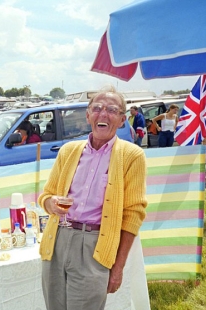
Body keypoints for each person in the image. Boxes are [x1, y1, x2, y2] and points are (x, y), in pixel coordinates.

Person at [38, 86, 147, 310]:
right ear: (88, 115)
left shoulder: (132, 156)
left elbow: (132, 215)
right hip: (57, 240)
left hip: (95, 245)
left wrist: (117, 268)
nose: (103, 114)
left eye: (112, 110)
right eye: (96, 108)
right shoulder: (68, 151)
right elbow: (46, 196)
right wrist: (50, 204)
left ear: (122, 119)